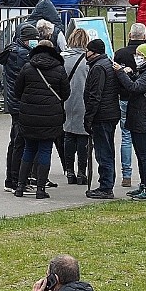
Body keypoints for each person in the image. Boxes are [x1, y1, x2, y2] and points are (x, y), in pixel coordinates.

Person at [13, 40, 70, 199]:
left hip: (28, 115)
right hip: (50, 116)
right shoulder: (59, 69)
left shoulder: (27, 67)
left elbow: (17, 91)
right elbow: (65, 93)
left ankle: (20, 186)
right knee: (45, 150)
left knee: (28, 149)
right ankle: (40, 189)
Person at [113, 43, 146, 200]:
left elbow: (134, 87)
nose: (137, 58)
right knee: (140, 154)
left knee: (144, 155)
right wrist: (130, 73)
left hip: (142, 117)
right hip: (137, 116)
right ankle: (143, 184)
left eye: (140, 55)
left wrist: (121, 72)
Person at [0, 23, 40, 192]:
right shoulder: (23, 55)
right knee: (19, 142)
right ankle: (15, 179)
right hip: (21, 103)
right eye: (34, 40)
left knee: (16, 142)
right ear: (26, 40)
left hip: (15, 103)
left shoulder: (13, 51)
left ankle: (14, 178)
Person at [82, 38, 120, 200]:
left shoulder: (98, 68)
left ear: (93, 52)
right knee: (108, 149)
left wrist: (88, 118)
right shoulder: (107, 63)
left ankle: (106, 186)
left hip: (102, 115)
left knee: (103, 151)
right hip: (110, 113)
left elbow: (95, 95)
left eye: (88, 50)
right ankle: (108, 182)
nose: (86, 53)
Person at [113, 23, 146, 188]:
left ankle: (127, 175)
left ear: (129, 35)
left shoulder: (120, 54)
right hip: (142, 100)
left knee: (126, 137)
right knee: (142, 139)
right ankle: (145, 177)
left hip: (124, 97)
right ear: (144, 37)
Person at [61, 29, 90, 185]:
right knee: (83, 137)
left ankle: (69, 171)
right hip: (83, 101)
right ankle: (81, 172)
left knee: (68, 135)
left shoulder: (63, 58)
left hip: (67, 100)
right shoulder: (88, 61)